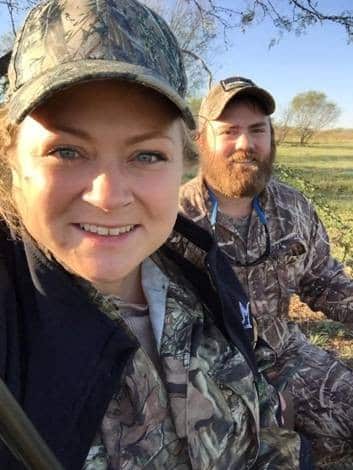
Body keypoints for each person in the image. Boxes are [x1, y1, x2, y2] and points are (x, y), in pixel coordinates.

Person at [0, 3, 312, 469]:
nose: (108, 196)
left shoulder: (197, 268)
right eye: (66, 151)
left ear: (182, 163)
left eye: (146, 155)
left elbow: (263, 417)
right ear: (12, 159)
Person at [178, 75, 353, 468]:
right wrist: (260, 398)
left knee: (345, 421)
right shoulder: (173, 217)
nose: (246, 143)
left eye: (258, 130)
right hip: (208, 371)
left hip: (285, 351)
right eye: (230, 131)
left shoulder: (293, 207)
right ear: (202, 139)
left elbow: (323, 280)